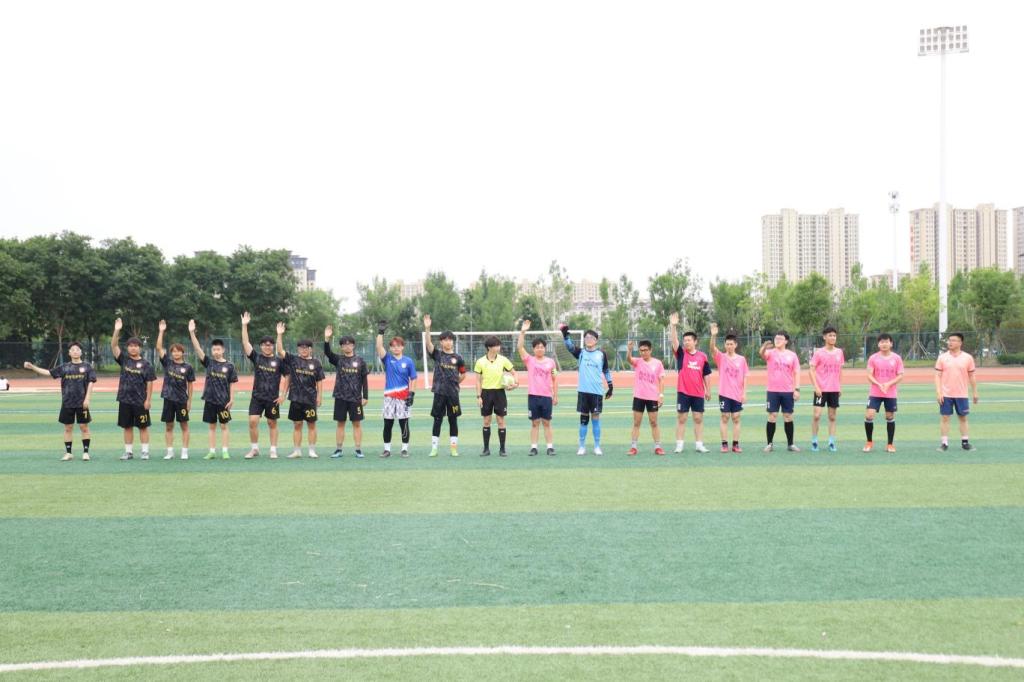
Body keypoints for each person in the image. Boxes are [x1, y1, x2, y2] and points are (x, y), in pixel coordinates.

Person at [23, 342, 97, 461]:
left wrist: (87, 398)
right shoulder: (64, 367)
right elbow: (48, 373)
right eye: (73, 350)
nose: (75, 351)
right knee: (68, 428)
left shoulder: (87, 366)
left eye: (77, 349)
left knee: (84, 427)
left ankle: (86, 452)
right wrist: (32, 367)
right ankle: (68, 453)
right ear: (69, 353)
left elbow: (91, 382)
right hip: (67, 402)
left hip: (82, 403)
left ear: (81, 352)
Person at [241, 311, 288, 459]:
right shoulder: (257, 357)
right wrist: (244, 326)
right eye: (264, 345)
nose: (267, 347)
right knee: (253, 421)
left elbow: (288, 376)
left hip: (272, 398)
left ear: (273, 346)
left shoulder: (279, 361)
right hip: (257, 397)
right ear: (261, 346)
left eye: (270, 345)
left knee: (272, 422)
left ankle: (273, 449)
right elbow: (246, 343)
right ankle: (254, 449)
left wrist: (283, 395)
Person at [188, 320, 238, 460]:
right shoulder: (209, 362)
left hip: (223, 402)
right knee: (211, 426)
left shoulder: (230, 366)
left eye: (218, 349)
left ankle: (225, 451)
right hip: (210, 400)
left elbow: (232, 383)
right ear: (212, 350)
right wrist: (192, 332)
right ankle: (212, 451)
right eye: (214, 349)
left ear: (223, 350)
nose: (216, 352)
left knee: (224, 426)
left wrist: (232, 399)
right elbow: (198, 349)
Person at [560, 325, 613, 456]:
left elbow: (606, 370)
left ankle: (597, 446)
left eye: (591, 338)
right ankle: (582, 446)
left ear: (596, 340)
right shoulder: (581, 353)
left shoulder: (601, 354)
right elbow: (570, 347)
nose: (589, 339)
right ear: (584, 340)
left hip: (597, 392)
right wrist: (565, 336)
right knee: (583, 419)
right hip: (583, 391)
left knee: (596, 418)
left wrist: (610, 385)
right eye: (587, 337)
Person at [276, 323, 326, 459]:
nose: (304, 350)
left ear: (310, 349)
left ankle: (312, 450)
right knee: (297, 425)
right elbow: (280, 351)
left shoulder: (316, 363)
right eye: (301, 347)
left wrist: (320, 397)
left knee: (311, 424)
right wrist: (279, 334)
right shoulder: (293, 359)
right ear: (298, 349)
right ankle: (297, 451)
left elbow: (319, 381)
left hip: (310, 399)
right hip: (296, 399)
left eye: (306, 347)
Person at [111, 318, 157, 460]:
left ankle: (145, 452)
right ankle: (128, 452)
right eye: (130, 346)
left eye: (136, 346)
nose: (133, 348)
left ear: (140, 348)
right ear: (127, 348)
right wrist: (117, 330)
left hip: (140, 401)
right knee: (127, 426)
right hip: (125, 399)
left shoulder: (146, 365)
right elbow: (113, 346)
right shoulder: (124, 360)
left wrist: (148, 400)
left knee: (143, 426)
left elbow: (150, 383)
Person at [423, 315, 467, 457]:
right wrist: (427, 328)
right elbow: (429, 344)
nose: (448, 342)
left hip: (453, 395)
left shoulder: (458, 358)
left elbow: (463, 374)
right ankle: (434, 448)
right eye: (445, 340)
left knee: (453, 420)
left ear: (453, 341)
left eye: (450, 339)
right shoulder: (438, 355)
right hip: (439, 393)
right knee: (437, 420)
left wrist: (455, 382)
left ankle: (453, 448)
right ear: (441, 342)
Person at [323, 325, 369, 459]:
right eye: (344, 345)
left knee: (357, 424)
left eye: (349, 344)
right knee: (340, 423)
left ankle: (358, 449)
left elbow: (364, 379)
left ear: (353, 346)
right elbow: (328, 353)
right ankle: (338, 449)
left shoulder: (360, 361)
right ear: (341, 347)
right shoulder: (339, 360)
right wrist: (326, 339)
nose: (347, 346)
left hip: (355, 398)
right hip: (340, 397)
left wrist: (365, 396)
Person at [668, 313, 712, 453]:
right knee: (682, 418)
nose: (686, 342)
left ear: (695, 342)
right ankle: (679, 445)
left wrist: (708, 390)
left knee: (698, 418)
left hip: (698, 393)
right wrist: (673, 326)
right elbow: (674, 341)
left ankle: (699, 444)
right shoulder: (681, 354)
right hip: (683, 392)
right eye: (685, 340)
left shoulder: (702, 356)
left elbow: (706, 374)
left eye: (689, 340)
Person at [155, 320, 196, 460]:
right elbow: (159, 348)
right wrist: (161, 331)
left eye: (178, 351)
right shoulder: (168, 363)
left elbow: (190, 385)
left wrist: (189, 401)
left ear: (182, 353)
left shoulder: (188, 367)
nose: (176, 353)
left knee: (184, 426)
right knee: (169, 426)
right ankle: (170, 451)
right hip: (168, 398)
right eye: (173, 351)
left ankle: (184, 451)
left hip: (182, 400)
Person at [375, 320, 417, 457]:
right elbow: (379, 347)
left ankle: (404, 449)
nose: (396, 348)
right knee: (388, 424)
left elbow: (414, 378)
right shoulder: (387, 359)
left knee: (404, 424)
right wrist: (380, 332)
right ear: (391, 348)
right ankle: (387, 449)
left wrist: (412, 394)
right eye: (393, 346)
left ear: (403, 347)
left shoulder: (408, 361)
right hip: (389, 397)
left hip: (403, 398)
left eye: (398, 345)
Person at [517, 319, 558, 456]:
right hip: (533, 396)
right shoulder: (529, 360)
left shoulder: (551, 362)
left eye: (542, 347)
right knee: (535, 423)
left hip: (546, 396)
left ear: (545, 348)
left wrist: (555, 395)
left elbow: (555, 379)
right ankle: (534, 447)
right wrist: (523, 332)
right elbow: (520, 348)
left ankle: (550, 447)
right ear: (534, 349)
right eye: (537, 347)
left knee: (547, 422)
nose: (540, 349)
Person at [934, 332, 979, 452]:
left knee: (963, 418)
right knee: (945, 418)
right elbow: (937, 376)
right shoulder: (942, 357)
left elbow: (972, 376)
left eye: (953, 340)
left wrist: (975, 392)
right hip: (946, 394)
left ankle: (965, 442)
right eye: (949, 340)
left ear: (960, 343)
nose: (950, 342)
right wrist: (939, 392)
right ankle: (944, 443)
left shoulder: (968, 358)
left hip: (962, 394)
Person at [474, 336, 518, 457]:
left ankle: (502, 449)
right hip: (486, 393)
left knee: (500, 420)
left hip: (499, 393)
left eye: (499, 345)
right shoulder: (480, 362)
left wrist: (515, 384)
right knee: (486, 421)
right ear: (489, 347)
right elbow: (477, 381)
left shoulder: (503, 360)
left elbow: (514, 373)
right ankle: (486, 449)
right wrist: (478, 396)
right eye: (496, 345)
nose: (498, 347)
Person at [709, 323, 748, 453]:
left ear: (735, 345)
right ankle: (724, 444)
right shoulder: (721, 357)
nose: (729, 346)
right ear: (725, 345)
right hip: (724, 393)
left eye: (731, 344)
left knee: (736, 417)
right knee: (725, 417)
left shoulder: (742, 360)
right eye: (727, 344)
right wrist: (713, 336)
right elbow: (712, 348)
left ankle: (735, 444)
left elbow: (745, 377)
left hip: (737, 394)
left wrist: (744, 393)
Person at [759, 330, 801, 452]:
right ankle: (769, 444)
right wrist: (764, 346)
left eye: (780, 339)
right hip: (772, 391)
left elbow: (797, 372)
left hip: (788, 391)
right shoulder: (770, 353)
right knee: (772, 416)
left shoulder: (792, 355)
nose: (777, 340)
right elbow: (761, 354)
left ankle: (790, 444)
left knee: (788, 416)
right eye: (776, 338)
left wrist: (797, 389)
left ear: (786, 341)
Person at [864, 333, 904, 453]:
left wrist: (888, 384)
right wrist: (879, 384)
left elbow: (900, 375)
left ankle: (890, 444)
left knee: (889, 416)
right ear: (878, 344)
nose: (884, 344)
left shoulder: (897, 358)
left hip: (890, 393)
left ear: (891, 344)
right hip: (875, 392)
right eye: (882, 342)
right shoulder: (873, 358)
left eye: (886, 342)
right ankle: (869, 442)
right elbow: (869, 375)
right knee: (869, 415)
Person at [625, 339, 665, 456]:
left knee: (654, 422)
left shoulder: (658, 363)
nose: (643, 352)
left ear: (650, 350)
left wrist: (661, 395)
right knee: (636, 423)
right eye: (641, 350)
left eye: (645, 350)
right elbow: (629, 359)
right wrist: (629, 350)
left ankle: (658, 447)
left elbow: (661, 380)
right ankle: (633, 447)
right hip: (639, 397)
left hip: (652, 397)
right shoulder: (638, 362)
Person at [809, 325, 845, 452]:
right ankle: (814, 441)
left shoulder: (839, 352)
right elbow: (811, 370)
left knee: (832, 416)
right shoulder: (819, 353)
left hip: (834, 389)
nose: (833, 337)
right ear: (824, 337)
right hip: (821, 390)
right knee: (817, 415)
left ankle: (831, 442)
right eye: (830, 335)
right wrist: (816, 386)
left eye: (834, 335)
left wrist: (840, 386)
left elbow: (840, 370)